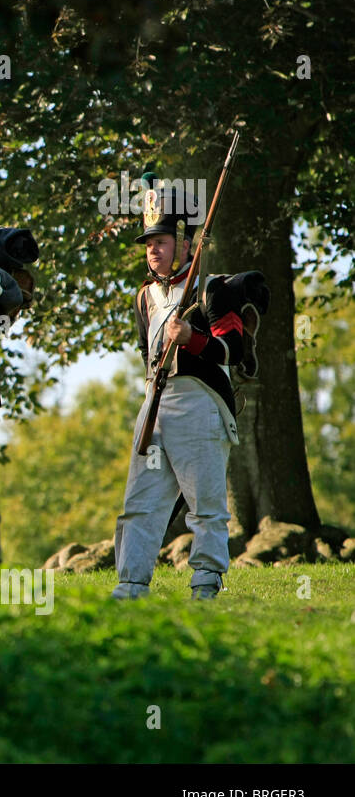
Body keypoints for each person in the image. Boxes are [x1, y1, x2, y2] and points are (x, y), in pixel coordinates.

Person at [113, 178, 244, 600]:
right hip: (156, 402)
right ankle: (131, 585)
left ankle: (206, 584)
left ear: (186, 243)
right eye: (149, 241)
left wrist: (192, 337)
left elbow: (234, 349)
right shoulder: (144, 298)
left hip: (199, 404)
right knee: (141, 504)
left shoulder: (211, 290)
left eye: (162, 239)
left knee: (206, 507)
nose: (153, 249)